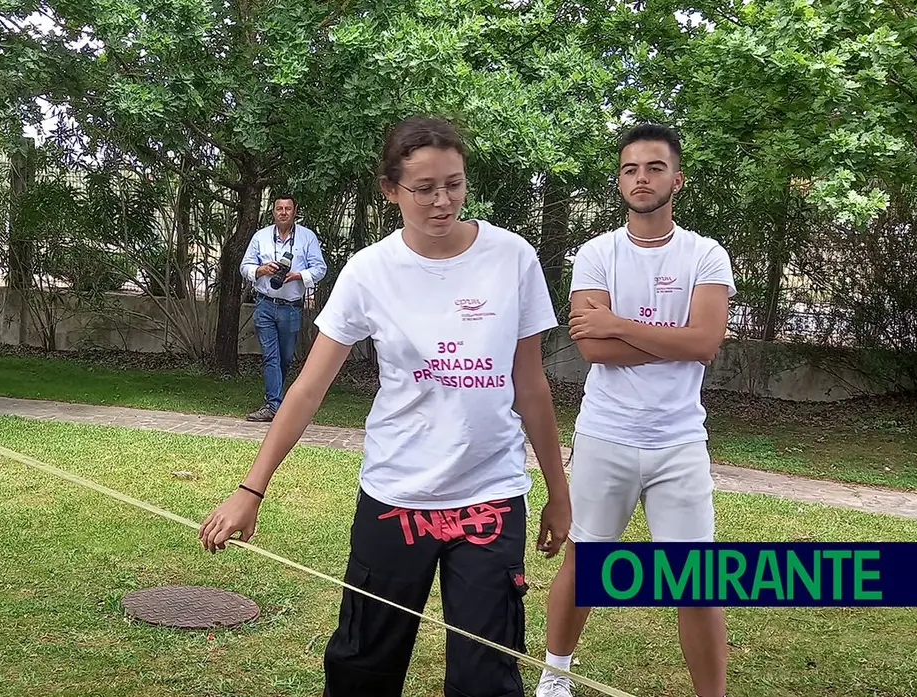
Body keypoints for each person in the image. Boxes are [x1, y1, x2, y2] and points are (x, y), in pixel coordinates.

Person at [201, 115, 571, 697]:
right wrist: (251, 489)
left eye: (454, 183)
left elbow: (530, 385)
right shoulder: (369, 272)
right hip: (396, 498)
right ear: (390, 189)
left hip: (490, 499)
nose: (443, 201)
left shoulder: (512, 258)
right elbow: (307, 389)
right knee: (362, 667)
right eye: (424, 188)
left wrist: (558, 489)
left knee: (487, 680)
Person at [534, 123, 735, 697]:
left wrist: (620, 324)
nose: (641, 178)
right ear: (620, 180)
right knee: (586, 565)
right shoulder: (597, 253)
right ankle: (556, 677)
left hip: (679, 442)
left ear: (677, 178)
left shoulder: (705, 253)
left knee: (697, 582)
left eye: (653, 168)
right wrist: (667, 336)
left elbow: (704, 344)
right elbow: (592, 349)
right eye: (629, 169)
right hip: (606, 434)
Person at [239, 195, 328, 422]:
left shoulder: (307, 238)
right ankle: (273, 405)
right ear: (273, 211)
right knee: (270, 356)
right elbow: (245, 266)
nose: (284, 212)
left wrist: (297, 275)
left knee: (285, 357)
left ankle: (277, 401)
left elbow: (320, 268)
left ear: (294, 211)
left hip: (291, 307)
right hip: (265, 304)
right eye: (279, 208)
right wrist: (261, 270)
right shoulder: (261, 237)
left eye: (288, 208)